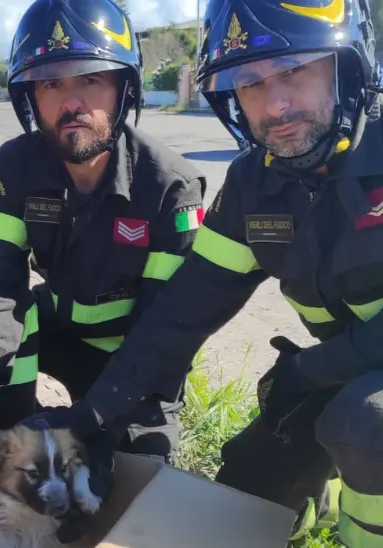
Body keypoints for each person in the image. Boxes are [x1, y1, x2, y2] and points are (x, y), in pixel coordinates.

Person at [34, 0, 383, 544]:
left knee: (363, 425)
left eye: (294, 70)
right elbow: (179, 316)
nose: (275, 105)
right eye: (250, 83)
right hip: (346, 366)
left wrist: (310, 370)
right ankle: (324, 495)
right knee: (244, 488)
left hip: (358, 389)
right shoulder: (256, 185)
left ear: (350, 64)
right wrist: (88, 421)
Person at [0, 0, 207, 488]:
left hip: (131, 354)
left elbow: (164, 330)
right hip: (53, 328)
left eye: (90, 79)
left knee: (139, 480)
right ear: (30, 98)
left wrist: (94, 421)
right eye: (51, 84)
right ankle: (12, 414)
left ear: (122, 88)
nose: (72, 103)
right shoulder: (15, 167)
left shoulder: (170, 187)